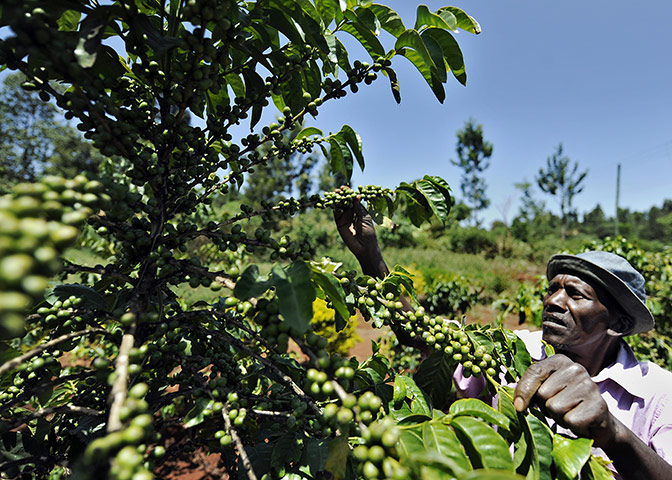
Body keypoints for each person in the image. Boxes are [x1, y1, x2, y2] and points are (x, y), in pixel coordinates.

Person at [334, 196, 672, 480]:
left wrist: (614, 435)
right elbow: (422, 334)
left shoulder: (657, 393)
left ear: (619, 322)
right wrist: (370, 256)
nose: (553, 301)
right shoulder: (513, 351)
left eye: (575, 293)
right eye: (552, 289)